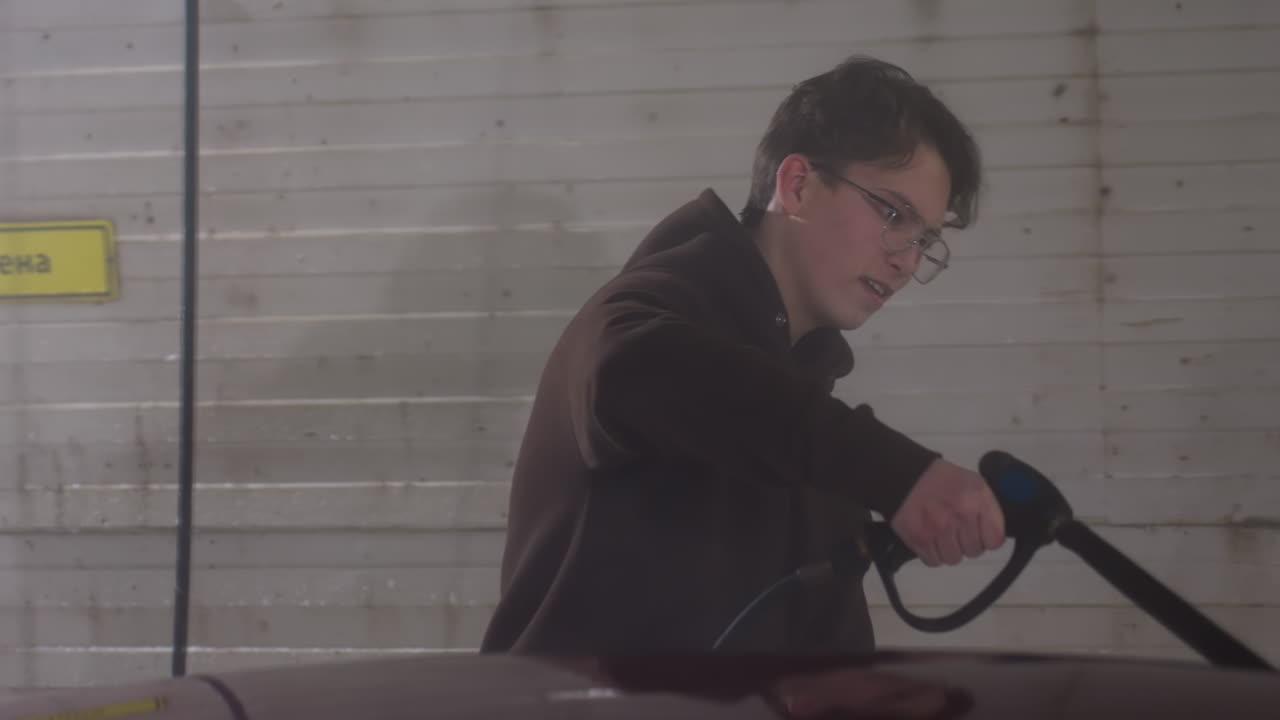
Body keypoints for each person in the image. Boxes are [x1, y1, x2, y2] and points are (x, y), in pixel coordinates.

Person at [479, 55, 1006, 654]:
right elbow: (634, 368)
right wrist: (897, 472)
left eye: (924, 239)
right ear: (798, 185)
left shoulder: (802, 430)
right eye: (892, 213)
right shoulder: (644, 318)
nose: (907, 260)